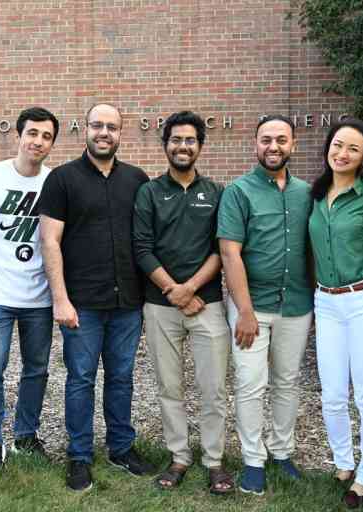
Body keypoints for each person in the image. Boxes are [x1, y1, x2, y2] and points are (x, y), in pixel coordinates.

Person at [38, 103, 155, 492]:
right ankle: (79, 456)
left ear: (121, 133)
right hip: (82, 305)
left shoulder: (137, 180)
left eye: (112, 127)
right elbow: (50, 242)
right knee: (81, 379)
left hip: (127, 304)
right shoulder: (62, 179)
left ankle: (121, 449)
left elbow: (145, 240)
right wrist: (60, 299)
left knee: (122, 379)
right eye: (97, 125)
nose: (104, 132)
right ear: (84, 129)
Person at [133, 111, 233, 494]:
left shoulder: (216, 192)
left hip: (207, 305)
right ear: (165, 145)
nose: (182, 146)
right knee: (169, 387)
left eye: (190, 140)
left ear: (200, 146)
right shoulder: (150, 192)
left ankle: (214, 461)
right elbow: (141, 248)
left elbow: (220, 249)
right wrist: (173, 291)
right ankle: (178, 456)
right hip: (160, 307)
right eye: (176, 140)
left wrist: (189, 288)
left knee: (213, 389)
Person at [217, 114, 314, 495]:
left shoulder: (307, 193)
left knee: (287, 382)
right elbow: (229, 252)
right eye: (266, 140)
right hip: (251, 307)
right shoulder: (239, 192)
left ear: (293, 145)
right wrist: (244, 311)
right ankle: (253, 459)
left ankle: (282, 451)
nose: (273, 147)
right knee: (250, 384)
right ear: (255, 144)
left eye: (281, 140)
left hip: (296, 306)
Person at [308, 118, 363, 508]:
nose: (342, 154)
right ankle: (343, 463)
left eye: (353, 149)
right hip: (325, 301)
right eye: (338, 145)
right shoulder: (315, 193)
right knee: (330, 393)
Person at [0, 107, 59, 471]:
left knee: (37, 369)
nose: (38, 141)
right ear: (19, 135)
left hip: (39, 297)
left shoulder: (55, 181)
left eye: (46, 136)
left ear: (51, 143)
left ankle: (25, 436)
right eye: (32, 133)